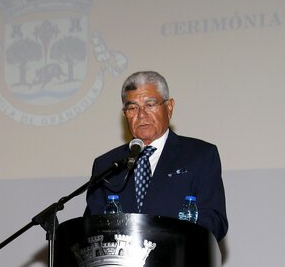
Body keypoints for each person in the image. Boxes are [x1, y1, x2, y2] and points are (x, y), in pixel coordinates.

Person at [84, 70, 228, 241]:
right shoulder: (107, 165)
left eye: (150, 105)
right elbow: (91, 228)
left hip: (180, 262)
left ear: (169, 107)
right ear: (125, 115)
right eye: (132, 108)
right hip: (120, 266)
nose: (141, 114)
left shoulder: (200, 155)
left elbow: (214, 220)